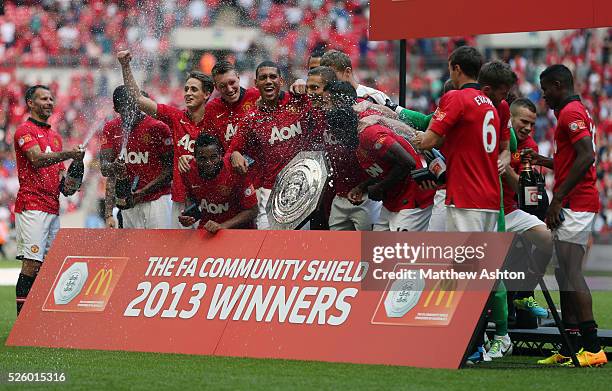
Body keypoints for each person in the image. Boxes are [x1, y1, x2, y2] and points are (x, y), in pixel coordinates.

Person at [525, 64, 607, 367]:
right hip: (574, 202)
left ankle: (593, 348)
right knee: (563, 274)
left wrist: (557, 199)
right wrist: (544, 161)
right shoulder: (574, 111)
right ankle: (572, 347)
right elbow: (573, 159)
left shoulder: (571, 112)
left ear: (558, 84)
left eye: (546, 88)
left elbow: (587, 156)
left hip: (576, 203)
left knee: (572, 273)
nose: (544, 95)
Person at [117, 50, 214, 228]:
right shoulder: (176, 117)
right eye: (186, 89)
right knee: (178, 255)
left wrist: (195, 160)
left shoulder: (216, 122)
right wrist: (125, 66)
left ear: (206, 94)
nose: (188, 93)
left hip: (209, 200)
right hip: (180, 200)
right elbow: (138, 100)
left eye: (194, 89)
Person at [13, 85, 84, 315]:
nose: (49, 102)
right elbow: (36, 159)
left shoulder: (55, 137)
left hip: (52, 208)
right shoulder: (24, 130)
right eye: (43, 98)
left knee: (49, 267)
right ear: (30, 103)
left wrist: (72, 178)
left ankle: (38, 320)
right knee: (31, 265)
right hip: (32, 206)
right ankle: (22, 321)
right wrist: (69, 154)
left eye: (51, 98)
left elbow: (62, 180)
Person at [326, 81, 434, 231]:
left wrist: (380, 187)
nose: (336, 138)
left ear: (343, 129)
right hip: (392, 202)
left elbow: (408, 162)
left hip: (412, 200)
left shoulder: (369, 134)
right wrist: (362, 187)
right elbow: (384, 169)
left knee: (400, 253)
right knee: (376, 250)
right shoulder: (355, 141)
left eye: (336, 133)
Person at [415, 46, 500, 232]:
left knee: (463, 260)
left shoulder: (457, 97)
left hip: (466, 195)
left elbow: (428, 141)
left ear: (457, 69)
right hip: (490, 197)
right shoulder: (489, 104)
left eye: (450, 69)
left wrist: (418, 137)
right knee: (482, 259)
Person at [228, 61, 322, 229]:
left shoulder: (298, 101)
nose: (268, 81)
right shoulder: (251, 118)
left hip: (303, 186)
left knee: (300, 247)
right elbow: (232, 151)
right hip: (270, 191)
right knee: (266, 244)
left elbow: (323, 100)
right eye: (263, 78)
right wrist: (235, 154)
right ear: (256, 83)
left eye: (273, 77)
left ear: (281, 81)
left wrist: (304, 84)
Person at [501, 98, 553, 325]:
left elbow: (523, 191)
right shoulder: (495, 135)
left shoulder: (530, 146)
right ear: (509, 119)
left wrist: (503, 168)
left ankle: (524, 294)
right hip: (486, 209)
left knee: (549, 241)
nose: (528, 128)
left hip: (512, 209)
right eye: (524, 121)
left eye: (532, 123)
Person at [99, 86, 173, 229]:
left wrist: (143, 192)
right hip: (129, 203)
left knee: (160, 250)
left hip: (157, 201)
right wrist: (114, 166)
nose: (129, 111)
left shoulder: (158, 127)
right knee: (134, 250)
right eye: (123, 108)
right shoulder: (110, 128)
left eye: (132, 105)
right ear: (116, 109)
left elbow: (170, 170)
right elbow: (105, 169)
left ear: (138, 103)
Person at [179, 133, 258, 233]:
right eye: (202, 159)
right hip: (208, 230)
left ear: (221, 155)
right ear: (194, 157)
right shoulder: (188, 170)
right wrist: (189, 216)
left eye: (213, 157)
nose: (209, 163)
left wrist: (222, 226)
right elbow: (191, 197)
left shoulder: (235, 168)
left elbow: (253, 210)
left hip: (239, 231)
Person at [320, 49, 391, 105]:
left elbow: (397, 119)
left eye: (332, 74)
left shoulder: (375, 96)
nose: (328, 79)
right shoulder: (325, 99)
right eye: (325, 75)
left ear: (347, 72)